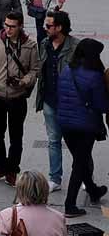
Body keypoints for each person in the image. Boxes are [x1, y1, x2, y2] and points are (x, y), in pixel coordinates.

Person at [0, 10, 38, 189]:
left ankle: (12, 168)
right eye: (6, 25)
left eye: (12, 26)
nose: (8, 29)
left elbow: (35, 70)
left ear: (20, 26)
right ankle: (1, 166)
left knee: (16, 135)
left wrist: (23, 81)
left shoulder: (30, 45)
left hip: (17, 96)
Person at [57, 38, 109, 217]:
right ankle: (70, 205)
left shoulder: (66, 70)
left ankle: (93, 190)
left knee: (81, 159)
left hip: (65, 124)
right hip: (85, 126)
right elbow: (102, 105)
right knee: (80, 163)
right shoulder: (95, 76)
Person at [36, 10, 79, 192]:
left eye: (48, 26)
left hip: (70, 103)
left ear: (59, 28)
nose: (45, 29)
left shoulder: (76, 47)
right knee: (54, 140)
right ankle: (55, 178)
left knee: (76, 142)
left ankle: (84, 173)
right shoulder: (45, 44)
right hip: (50, 100)